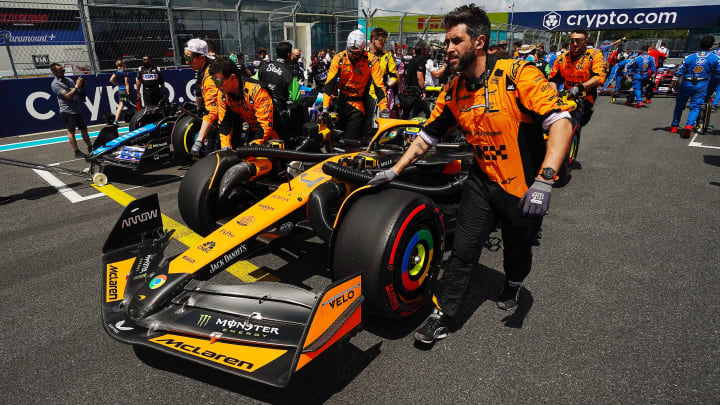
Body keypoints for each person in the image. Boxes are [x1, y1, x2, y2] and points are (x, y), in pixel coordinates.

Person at [368, 4, 572, 344]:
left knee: (517, 249)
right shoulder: (454, 89)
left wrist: (545, 180)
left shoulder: (518, 74)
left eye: (454, 41)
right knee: (463, 250)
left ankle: (514, 282)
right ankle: (443, 314)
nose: (447, 49)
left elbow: (561, 123)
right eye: (446, 42)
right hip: (481, 179)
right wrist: (394, 170)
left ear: (478, 42)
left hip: (523, 186)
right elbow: (426, 137)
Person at [322, 30, 388, 141]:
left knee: (351, 142)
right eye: (350, 52)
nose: (352, 55)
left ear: (363, 49)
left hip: (358, 105)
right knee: (333, 140)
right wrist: (325, 107)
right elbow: (329, 84)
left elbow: (379, 86)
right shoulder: (339, 58)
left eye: (356, 53)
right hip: (341, 103)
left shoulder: (372, 60)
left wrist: (384, 109)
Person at [210, 57, 278, 148]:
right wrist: (225, 147)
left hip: (273, 133)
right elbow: (225, 124)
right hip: (253, 131)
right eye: (213, 81)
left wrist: (254, 145)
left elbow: (265, 125)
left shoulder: (256, 90)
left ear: (233, 77)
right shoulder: (222, 94)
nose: (216, 86)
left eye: (218, 82)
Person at [548, 29, 606, 128]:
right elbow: (552, 79)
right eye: (572, 41)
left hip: (586, 95)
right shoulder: (562, 57)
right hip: (567, 95)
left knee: (575, 123)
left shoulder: (595, 54)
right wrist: (555, 93)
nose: (574, 44)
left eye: (578, 41)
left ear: (585, 42)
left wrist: (579, 87)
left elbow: (598, 77)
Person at [670, 36, 719, 138]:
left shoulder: (689, 57)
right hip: (701, 84)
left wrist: (673, 81)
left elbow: (680, 70)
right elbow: (718, 72)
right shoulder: (715, 58)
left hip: (687, 83)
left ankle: (674, 126)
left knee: (679, 105)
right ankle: (689, 126)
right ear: (710, 46)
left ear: (700, 44)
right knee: (695, 106)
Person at [256, 41, 302, 138]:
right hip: (278, 114)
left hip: (261, 111)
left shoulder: (263, 68)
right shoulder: (289, 73)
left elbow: (253, 83)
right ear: (289, 54)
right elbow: (296, 98)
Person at [184, 38, 220, 158]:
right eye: (185, 58)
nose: (187, 62)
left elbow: (213, 111)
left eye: (189, 58)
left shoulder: (210, 76)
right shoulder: (206, 70)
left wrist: (199, 140)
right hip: (219, 121)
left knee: (213, 160)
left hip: (221, 124)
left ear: (202, 58)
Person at [50, 63, 92, 158]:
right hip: (67, 111)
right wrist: (76, 86)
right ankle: (76, 152)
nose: (63, 72)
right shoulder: (55, 84)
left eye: (63, 70)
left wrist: (82, 86)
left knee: (84, 129)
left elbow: (78, 92)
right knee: (71, 131)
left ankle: (90, 147)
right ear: (54, 72)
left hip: (76, 109)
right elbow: (68, 96)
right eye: (61, 71)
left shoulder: (68, 80)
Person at [369, 28, 399, 122]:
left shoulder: (387, 57)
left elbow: (394, 76)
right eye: (381, 40)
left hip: (379, 99)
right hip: (363, 97)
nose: (383, 43)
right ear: (373, 39)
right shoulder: (363, 55)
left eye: (385, 41)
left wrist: (387, 84)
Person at [399, 41, 432, 119]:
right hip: (415, 93)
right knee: (416, 116)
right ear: (422, 51)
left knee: (406, 116)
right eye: (428, 49)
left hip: (407, 92)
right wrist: (423, 90)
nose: (429, 51)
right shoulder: (421, 60)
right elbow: (419, 76)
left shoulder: (412, 60)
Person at [109, 59, 131, 126]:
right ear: (123, 65)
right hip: (125, 90)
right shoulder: (125, 73)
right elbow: (126, 83)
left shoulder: (116, 72)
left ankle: (116, 121)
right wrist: (128, 92)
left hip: (120, 91)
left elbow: (111, 80)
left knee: (120, 106)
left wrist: (116, 83)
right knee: (133, 103)